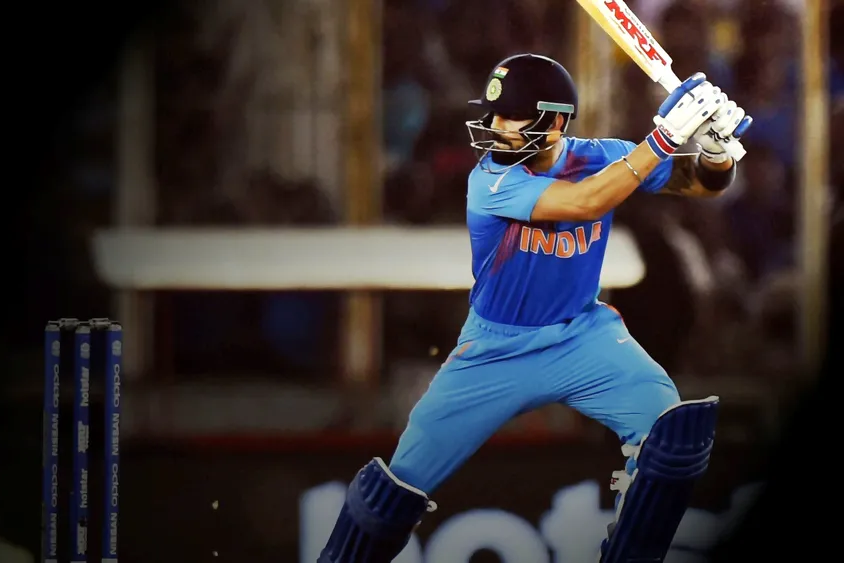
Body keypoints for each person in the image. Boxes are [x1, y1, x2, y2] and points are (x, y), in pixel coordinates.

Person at [318, 53, 752, 563]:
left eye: (515, 117)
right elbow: (586, 202)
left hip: (582, 336)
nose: (499, 127)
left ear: (557, 122)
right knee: (393, 490)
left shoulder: (605, 156)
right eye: (496, 114)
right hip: (495, 349)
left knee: (672, 434)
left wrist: (716, 151)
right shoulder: (490, 181)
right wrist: (663, 138)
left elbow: (701, 184)